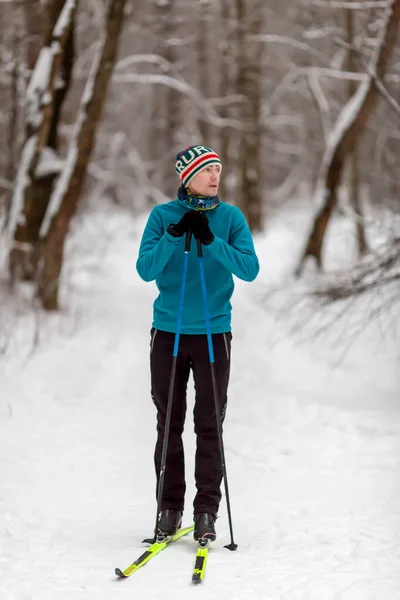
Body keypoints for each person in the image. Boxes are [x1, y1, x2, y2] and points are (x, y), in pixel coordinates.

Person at [136, 145, 260, 542]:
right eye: (206, 169)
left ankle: (206, 511)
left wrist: (212, 242)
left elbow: (250, 269)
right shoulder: (162, 217)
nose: (214, 176)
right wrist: (174, 237)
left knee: (210, 425)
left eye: (218, 169)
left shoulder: (230, 218)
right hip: (169, 333)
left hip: (212, 334)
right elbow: (145, 269)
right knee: (169, 423)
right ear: (185, 176)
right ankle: (169, 509)